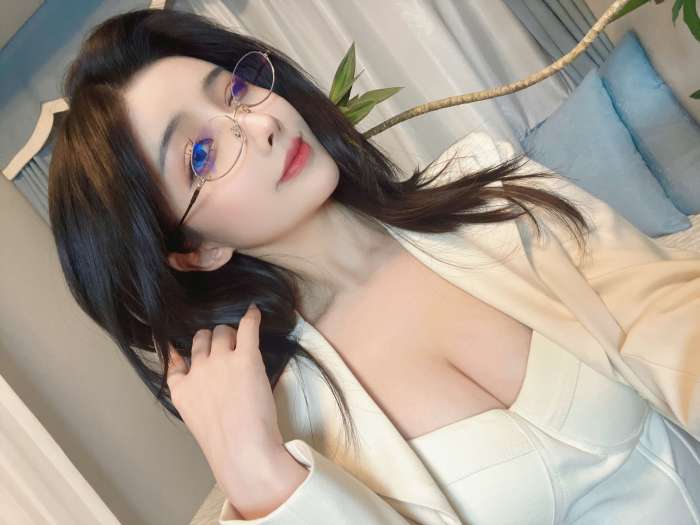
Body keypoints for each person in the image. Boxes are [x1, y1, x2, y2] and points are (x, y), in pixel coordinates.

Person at [48, 8, 700, 525]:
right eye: (200, 154)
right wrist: (258, 477)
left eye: (237, 91)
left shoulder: (489, 193)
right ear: (195, 249)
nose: (260, 124)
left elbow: (673, 318)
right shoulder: (289, 427)